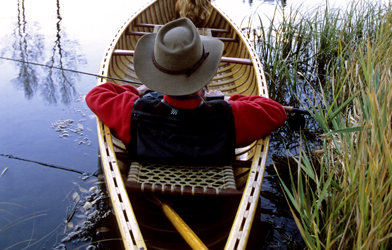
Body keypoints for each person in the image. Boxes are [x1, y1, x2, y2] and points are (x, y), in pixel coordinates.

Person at [86, 18, 289, 164]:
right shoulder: (231, 116)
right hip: (211, 198)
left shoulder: (132, 111)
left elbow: (95, 95)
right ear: (204, 73)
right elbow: (275, 111)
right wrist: (226, 98)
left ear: (158, 74)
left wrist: (139, 90)